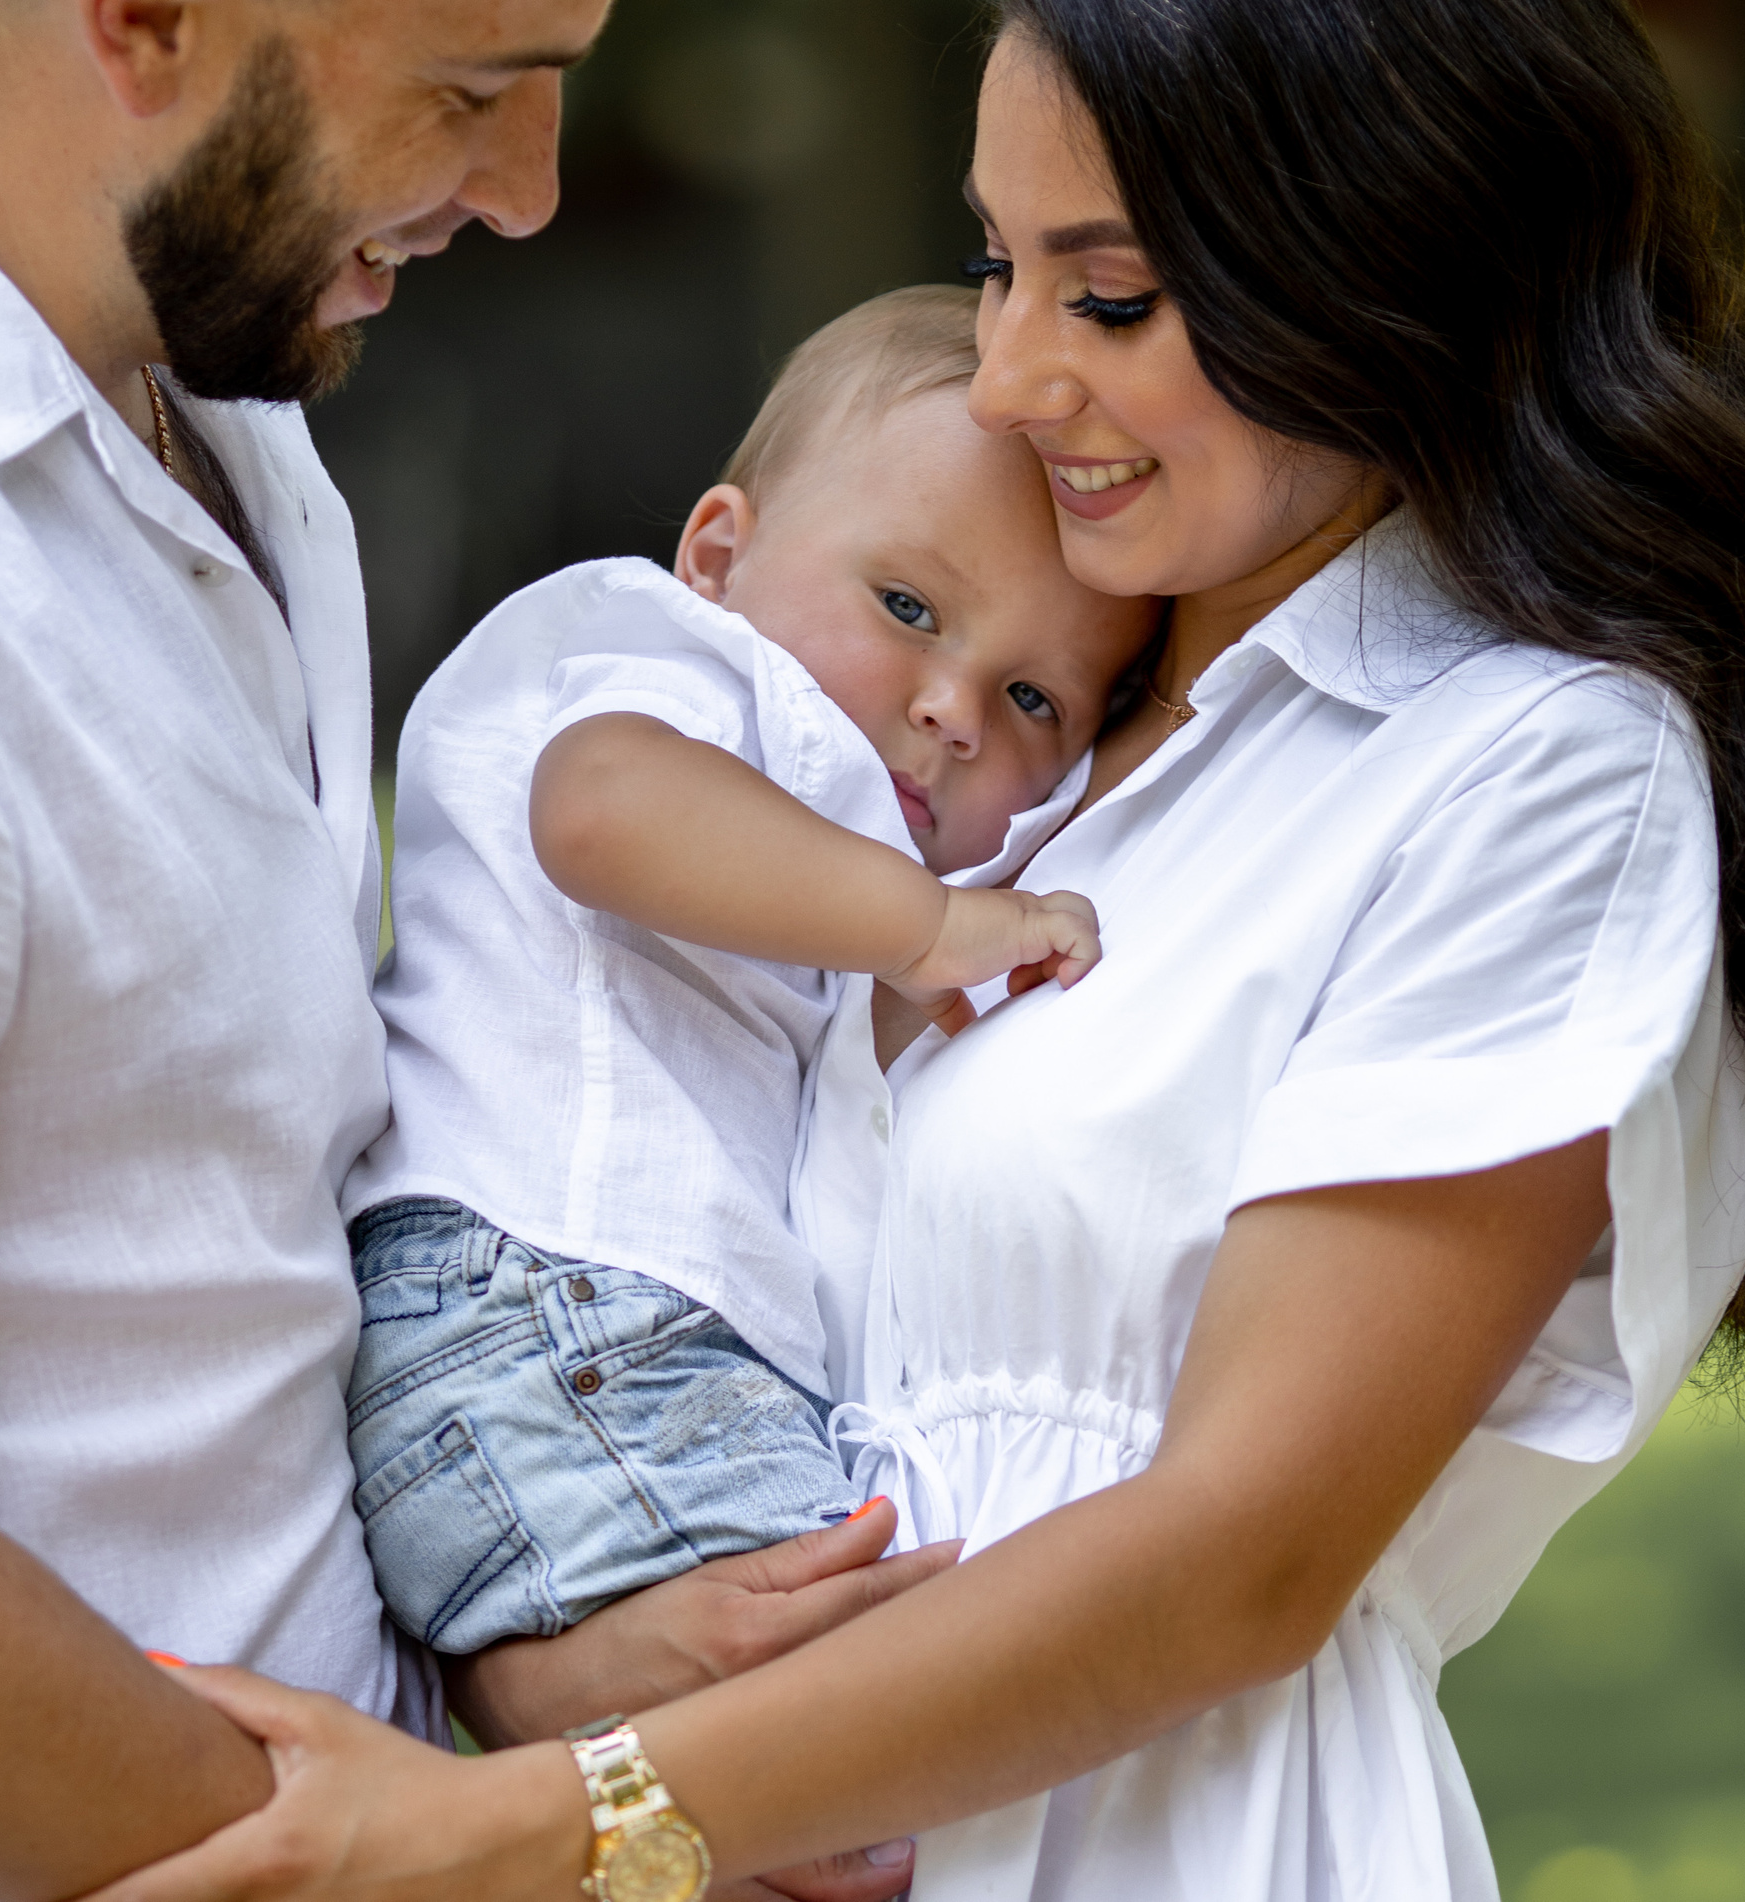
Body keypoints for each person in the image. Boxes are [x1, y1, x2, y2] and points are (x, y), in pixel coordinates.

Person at [83, 3, 1745, 1900]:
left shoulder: (1520, 770)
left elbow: (1238, 1563)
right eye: (990, 265)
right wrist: (546, 1672)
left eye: (1101, 301)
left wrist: (523, 1830)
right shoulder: (1010, 773)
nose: (1006, 378)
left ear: (1376, 279)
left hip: (1177, 1832)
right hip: (801, 1813)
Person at [0, 6, 945, 1902]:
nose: (534, 192)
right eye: (477, 91)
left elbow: (214, 1292)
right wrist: (519, 1862)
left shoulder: (195, 387)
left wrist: (529, 1626)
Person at [345, 285, 1151, 1659]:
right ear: (721, 552)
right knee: (857, 1728)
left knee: (808, 1792)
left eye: (1033, 700)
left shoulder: (834, 849)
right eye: (907, 604)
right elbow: (599, 810)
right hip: (558, 1300)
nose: (952, 709)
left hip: (583, 1350)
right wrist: (928, 926)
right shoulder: (686, 667)